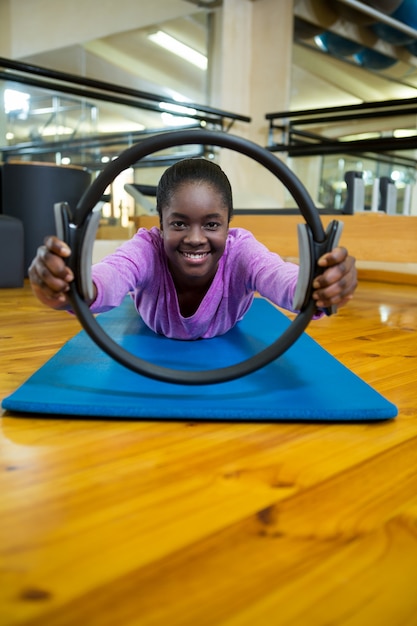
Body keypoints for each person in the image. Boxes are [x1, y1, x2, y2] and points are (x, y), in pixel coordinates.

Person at [29, 158, 357, 340]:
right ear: (161, 223)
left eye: (212, 225)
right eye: (179, 224)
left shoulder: (241, 250)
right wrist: (68, 285)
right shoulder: (147, 248)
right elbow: (114, 272)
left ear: (229, 225)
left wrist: (320, 285)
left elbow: (276, 274)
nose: (196, 238)